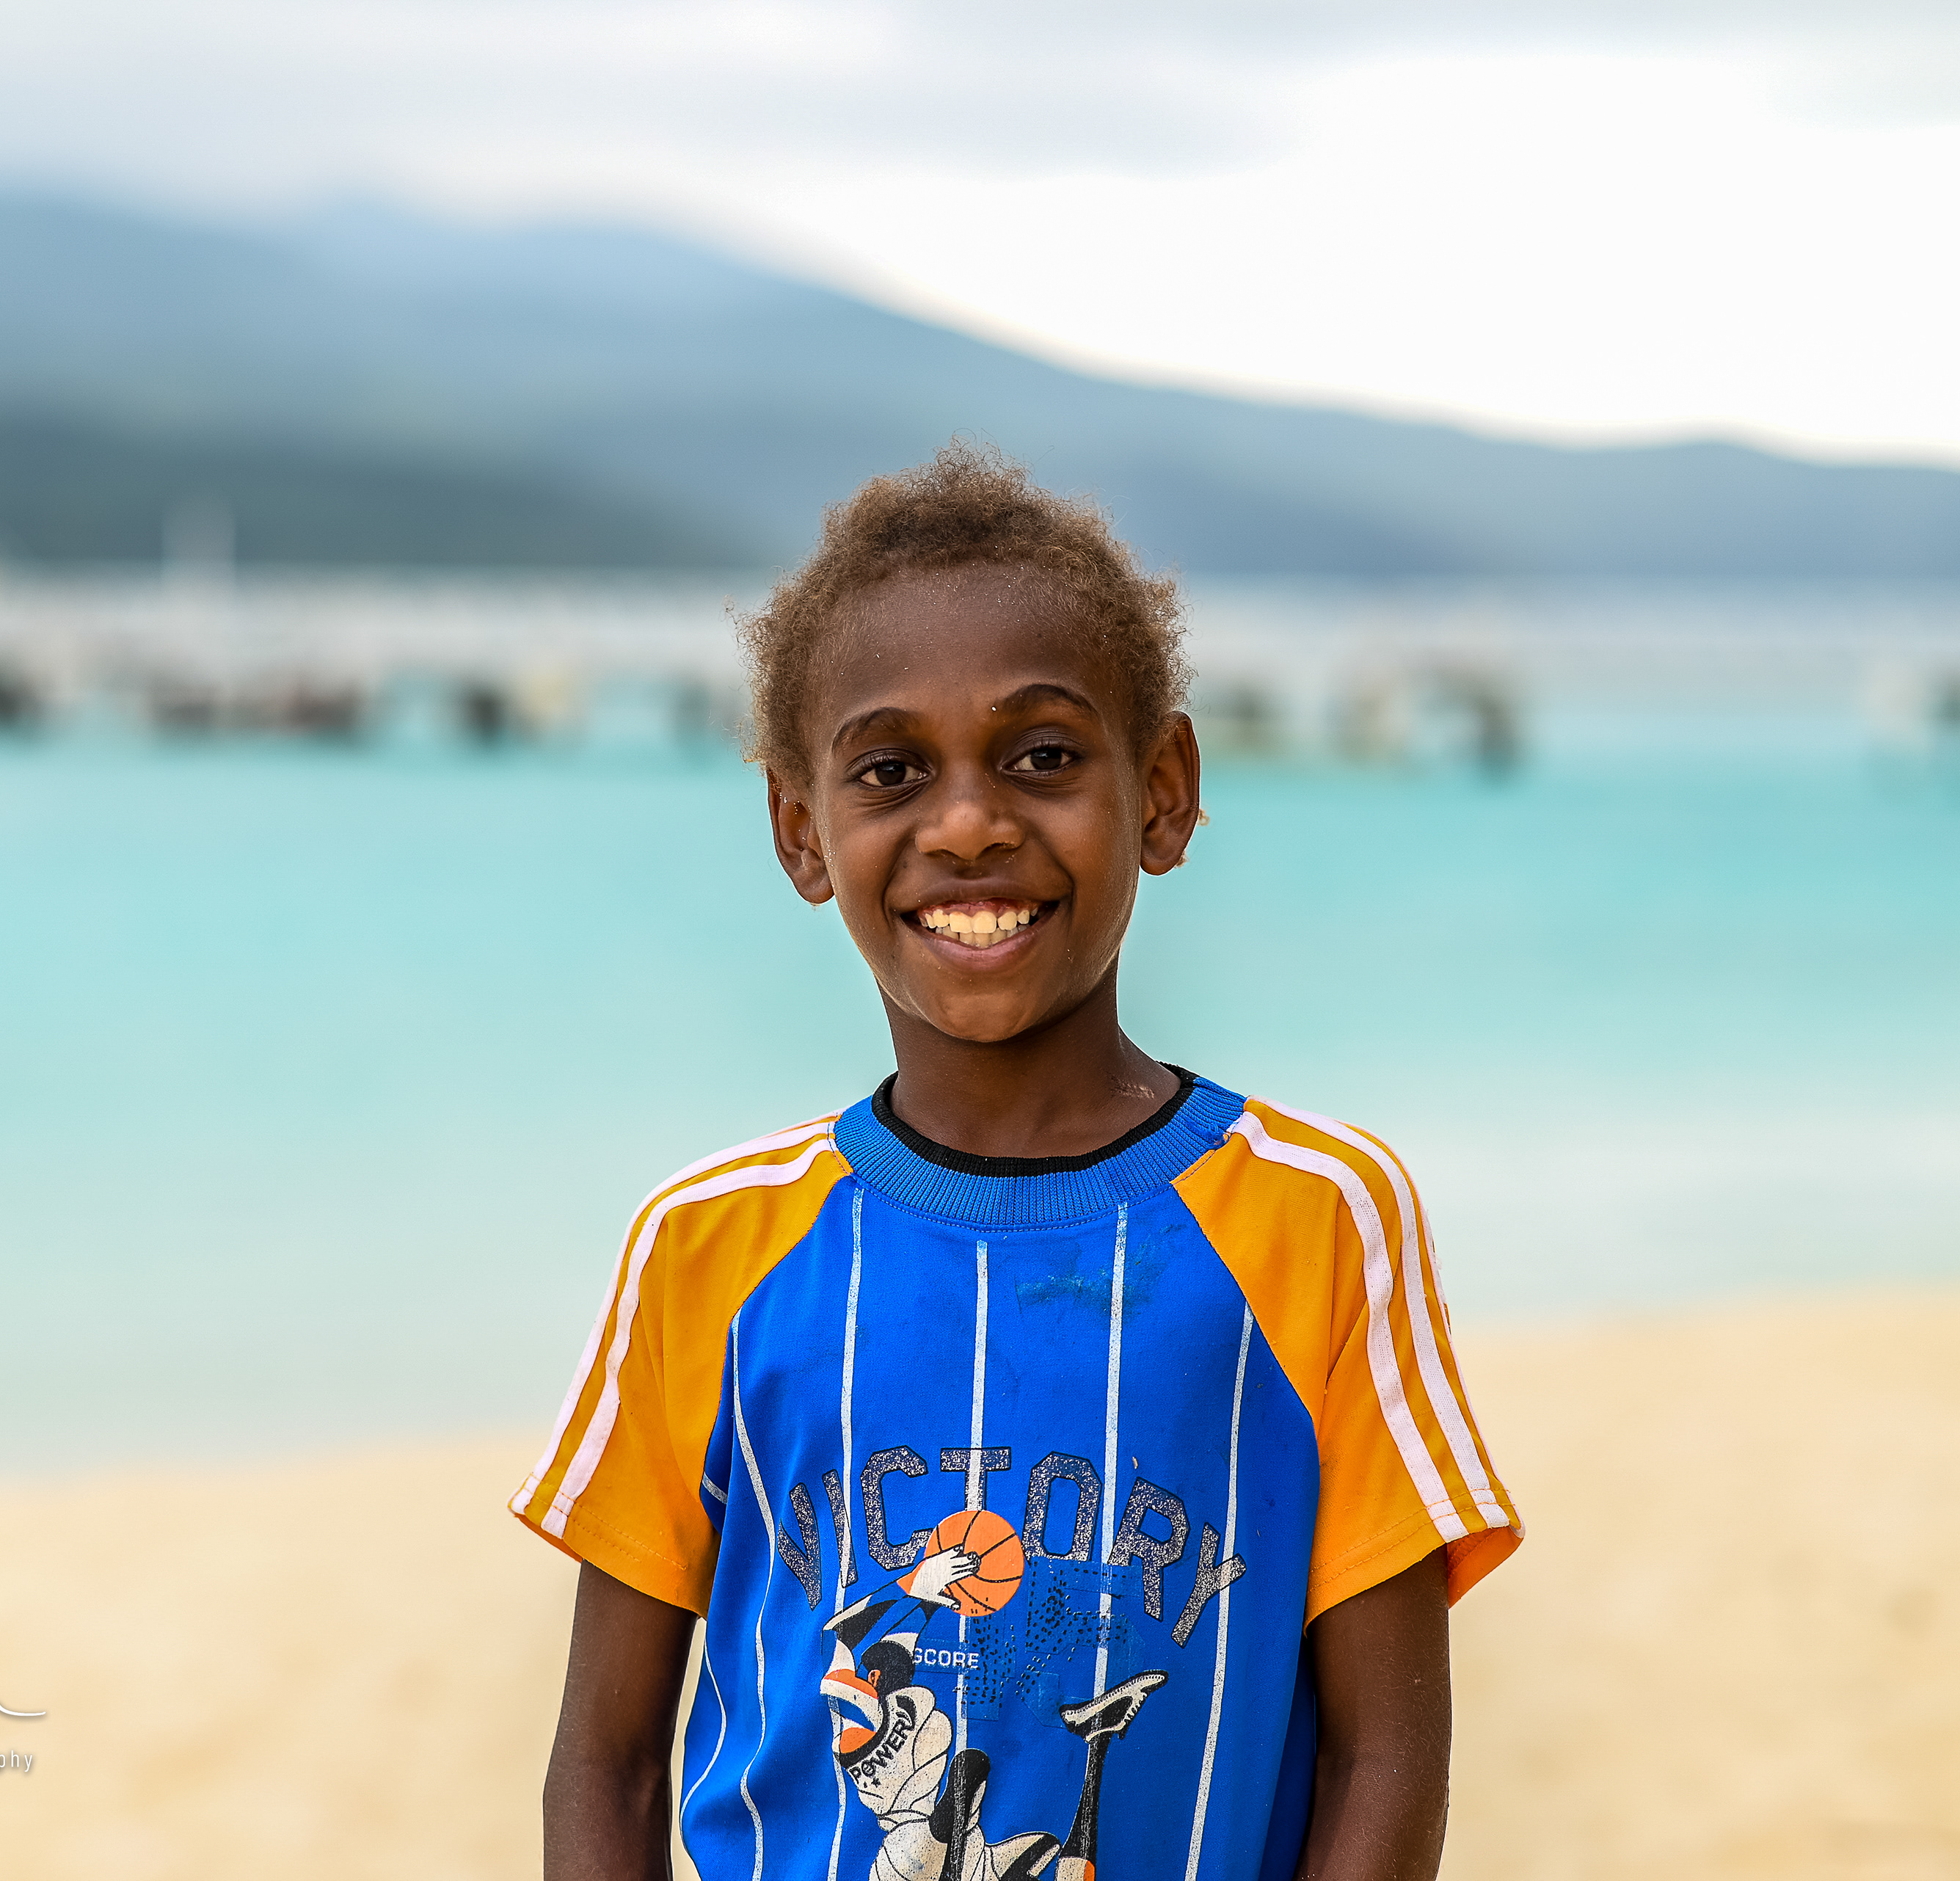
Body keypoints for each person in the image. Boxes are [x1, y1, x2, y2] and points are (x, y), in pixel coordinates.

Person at [516, 444, 1520, 1881]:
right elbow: (603, 1769)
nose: (971, 820)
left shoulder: (1316, 1220)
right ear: (805, 832)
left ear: (1163, 791)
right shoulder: (708, 1248)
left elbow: (1388, 1754)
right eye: (892, 770)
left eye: (1043, 756)